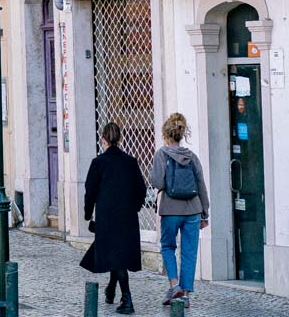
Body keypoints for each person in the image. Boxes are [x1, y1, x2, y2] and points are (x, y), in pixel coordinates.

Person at [80, 122, 146, 313]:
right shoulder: (130, 162)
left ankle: (127, 300)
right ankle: (110, 290)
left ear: (103, 139)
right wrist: (134, 207)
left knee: (116, 257)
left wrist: (87, 213)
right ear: (120, 139)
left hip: (107, 217)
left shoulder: (98, 163)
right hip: (127, 216)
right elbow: (141, 190)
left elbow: (90, 191)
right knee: (117, 254)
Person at [148, 112, 210, 306]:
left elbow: (157, 181)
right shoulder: (192, 157)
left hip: (170, 209)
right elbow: (201, 185)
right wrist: (205, 214)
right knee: (189, 252)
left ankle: (174, 286)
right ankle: (185, 294)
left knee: (168, 247)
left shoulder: (161, 154)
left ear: (166, 134)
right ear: (181, 135)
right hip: (193, 209)